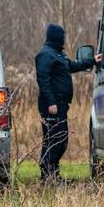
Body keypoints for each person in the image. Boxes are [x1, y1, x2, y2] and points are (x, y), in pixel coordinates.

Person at [34, 23, 94, 183]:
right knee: (55, 140)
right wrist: (51, 103)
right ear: (56, 37)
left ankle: (53, 174)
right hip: (52, 107)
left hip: (61, 105)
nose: (64, 39)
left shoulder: (57, 55)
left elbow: (72, 66)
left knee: (59, 140)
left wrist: (92, 61)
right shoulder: (46, 55)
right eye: (62, 37)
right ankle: (47, 176)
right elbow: (43, 80)